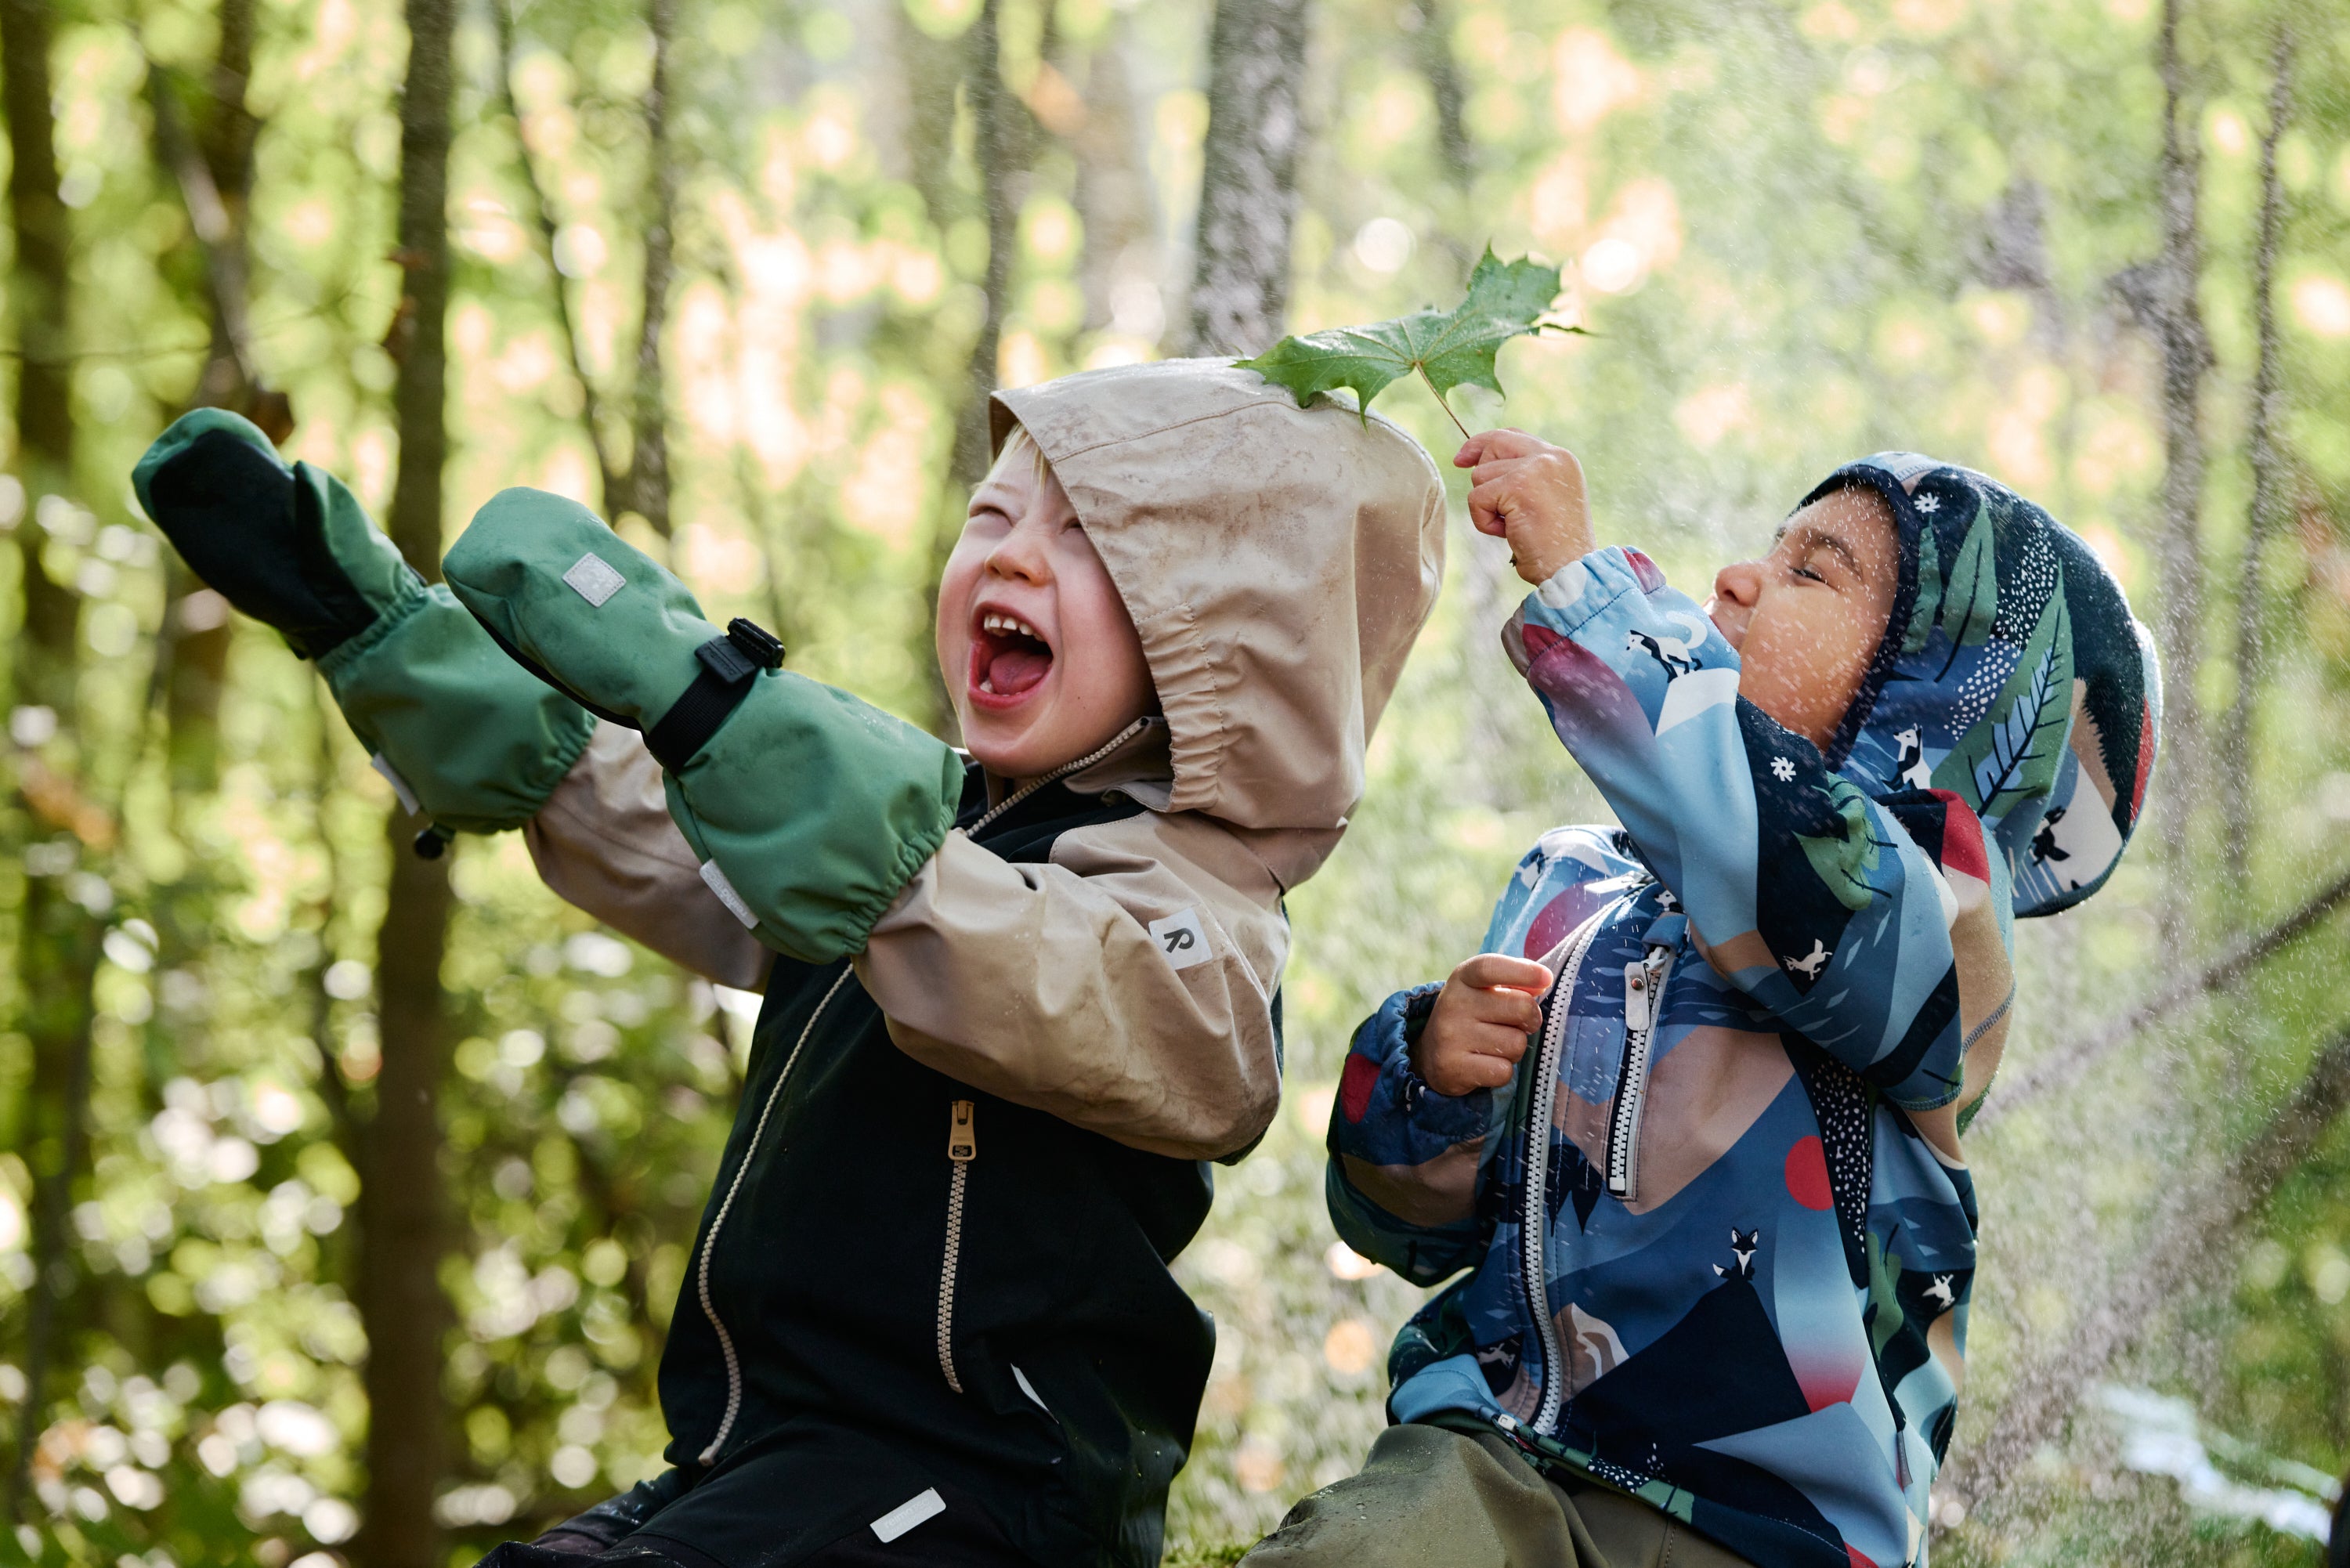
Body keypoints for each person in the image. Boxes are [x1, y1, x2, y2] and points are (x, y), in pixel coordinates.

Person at [130, 359, 1446, 1568]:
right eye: (991, 520)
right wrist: (378, 629)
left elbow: (1085, 1000)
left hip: (984, 1486)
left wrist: (724, 711)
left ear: (1212, 646)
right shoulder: (913, 826)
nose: (1016, 559)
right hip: (762, 1453)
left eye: (1089, 542)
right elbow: (655, 825)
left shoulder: (1190, 912)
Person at [1251, 432, 2160, 1568]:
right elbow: (1408, 1231)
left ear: (1940, 689)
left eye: (1811, 571)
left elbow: (1768, 844)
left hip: (1769, 1525)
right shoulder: (1573, 887)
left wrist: (1587, 583)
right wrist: (1431, 1083)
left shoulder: (1937, 916)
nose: (1735, 577)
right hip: (1496, 1462)